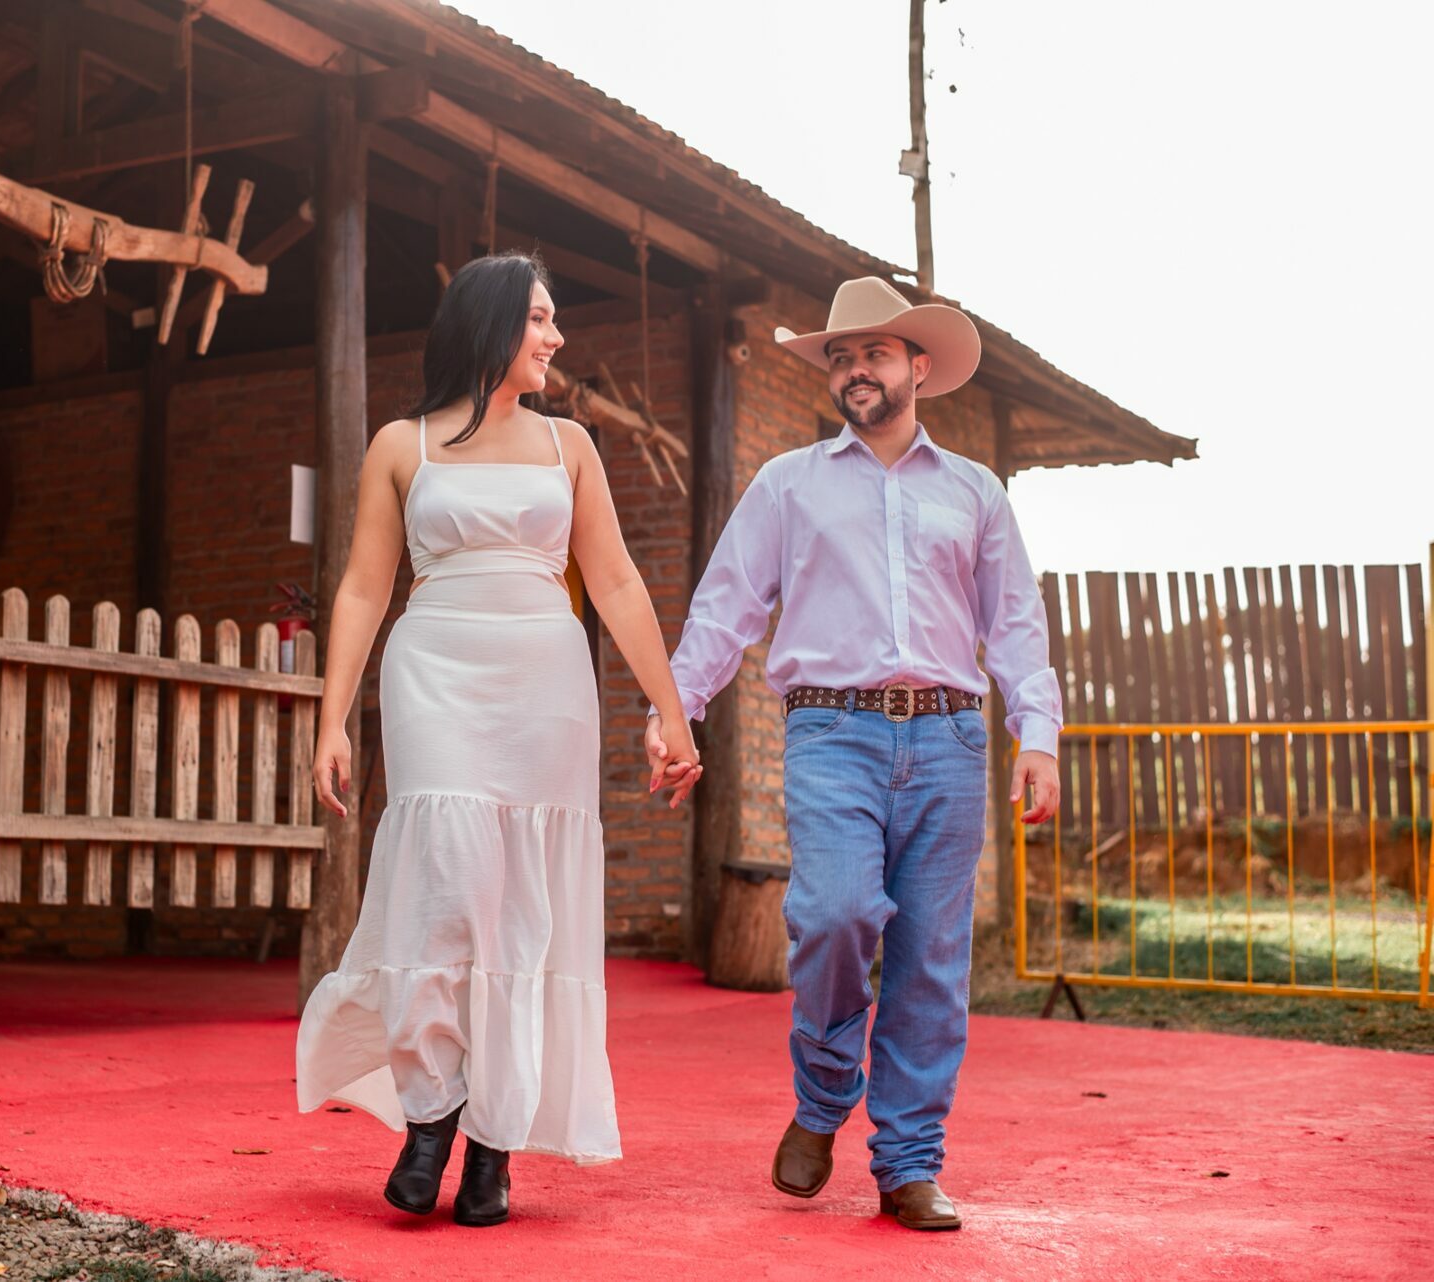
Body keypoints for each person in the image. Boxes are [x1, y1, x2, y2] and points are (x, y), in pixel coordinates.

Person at [296, 253, 702, 1227]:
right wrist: (332, 715)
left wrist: (671, 710)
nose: (557, 337)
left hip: (545, 686)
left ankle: (494, 1142)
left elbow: (616, 582)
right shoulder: (401, 445)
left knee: (522, 909)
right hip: (434, 671)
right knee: (445, 890)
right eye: (540, 319)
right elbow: (364, 586)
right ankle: (431, 1111)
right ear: (488, 324)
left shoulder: (571, 447)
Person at [647, 276, 1061, 1231]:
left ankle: (909, 1163)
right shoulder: (787, 484)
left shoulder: (975, 491)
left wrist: (1035, 735)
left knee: (930, 960)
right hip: (832, 733)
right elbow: (726, 606)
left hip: (950, 736)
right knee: (832, 914)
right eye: (840, 357)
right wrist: (678, 707)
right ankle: (826, 1090)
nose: (854, 369)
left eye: (873, 353)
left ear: (919, 366)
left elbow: (1015, 624)